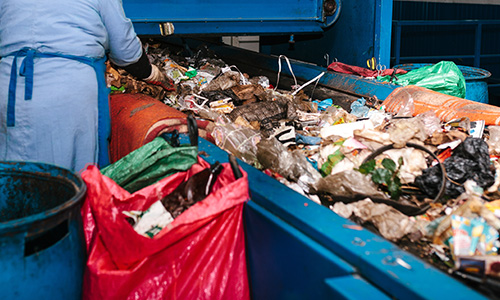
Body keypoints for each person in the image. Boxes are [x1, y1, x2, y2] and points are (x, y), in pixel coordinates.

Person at [0, 0, 167, 172]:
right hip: (68, 87)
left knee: (15, 171)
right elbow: (125, 49)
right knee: (68, 174)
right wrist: (151, 73)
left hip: (11, 86)